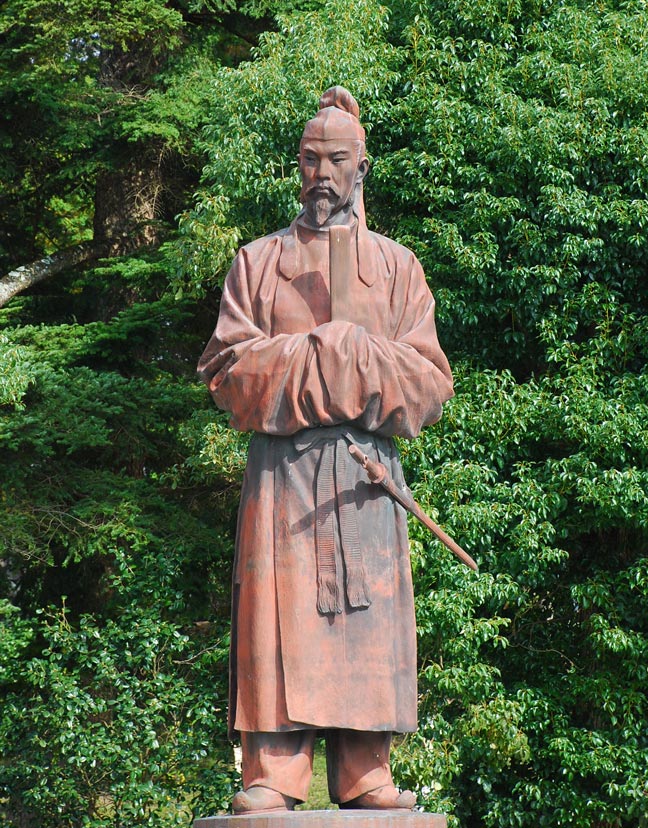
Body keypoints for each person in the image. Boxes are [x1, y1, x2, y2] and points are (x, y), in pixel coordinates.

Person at [198, 86, 454, 815]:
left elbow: (430, 381)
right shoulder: (259, 262)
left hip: (366, 478)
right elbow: (226, 370)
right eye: (310, 159)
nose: (322, 173)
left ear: (362, 168)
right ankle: (274, 772)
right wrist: (317, 353)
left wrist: (361, 355)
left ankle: (366, 769)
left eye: (337, 159)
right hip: (284, 475)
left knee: (368, 622)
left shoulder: (397, 268)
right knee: (276, 621)